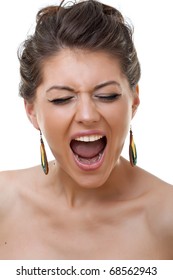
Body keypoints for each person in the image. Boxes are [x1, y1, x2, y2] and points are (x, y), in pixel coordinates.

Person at [0, 0, 173, 260]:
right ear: (31, 110)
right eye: (61, 99)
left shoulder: (167, 219)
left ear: (134, 101)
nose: (87, 115)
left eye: (107, 95)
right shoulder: (4, 202)